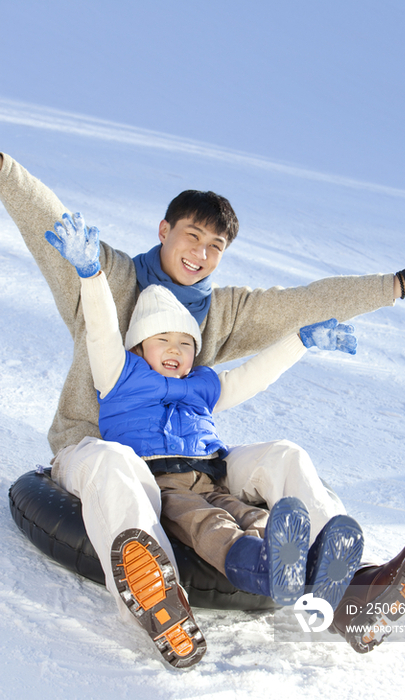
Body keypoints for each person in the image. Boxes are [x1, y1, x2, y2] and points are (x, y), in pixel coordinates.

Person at [0, 153, 405, 653]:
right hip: (98, 446)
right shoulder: (112, 279)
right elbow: (51, 224)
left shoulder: (220, 312)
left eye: (215, 246)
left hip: (196, 459)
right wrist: (4, 170)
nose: (200, 253)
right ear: (164, 230)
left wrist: (403, 284)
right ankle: (161, 600)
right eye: (192, 236)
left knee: (283, 456)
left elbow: (302, 303)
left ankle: (352, 592)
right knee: (116, 463)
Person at [45, 211, 364, 668]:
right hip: (159, 480)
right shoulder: (119, 372)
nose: (175, 350)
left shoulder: (204, 384)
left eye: (185, 343)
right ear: (139, 345)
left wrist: (301, 341)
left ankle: (326, 560)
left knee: (258, 501)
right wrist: (91, 274)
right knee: (208, 525)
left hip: (212, 474)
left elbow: (254, 375)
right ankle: (161, 596)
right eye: (163, 340)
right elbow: (99, 327)